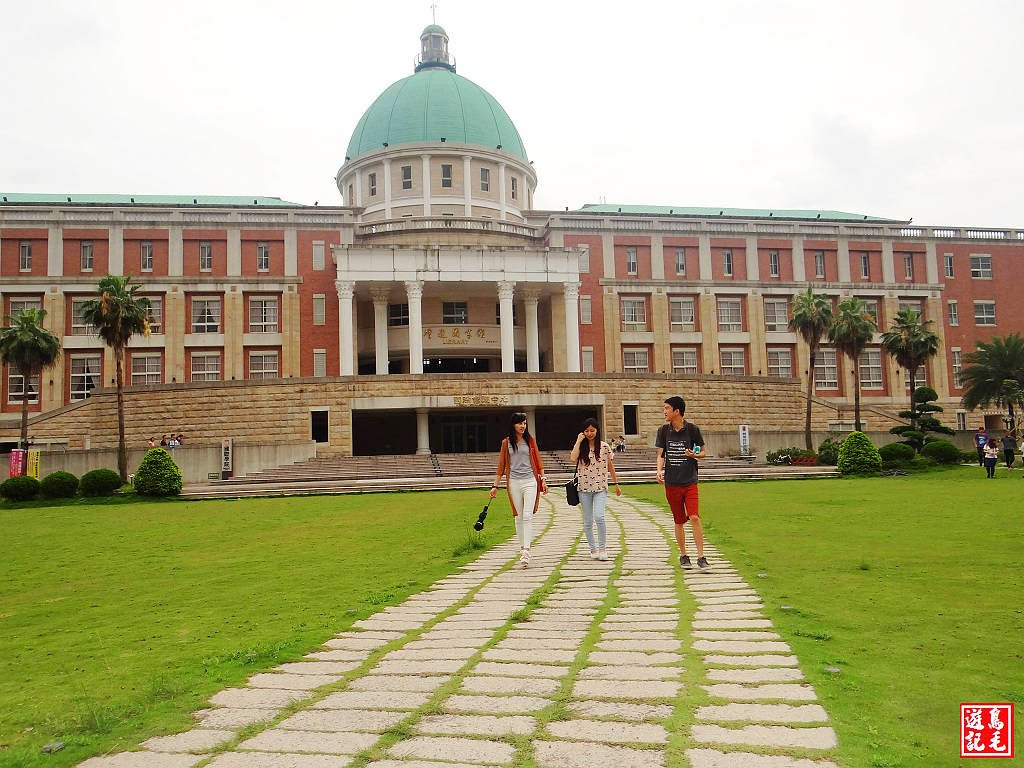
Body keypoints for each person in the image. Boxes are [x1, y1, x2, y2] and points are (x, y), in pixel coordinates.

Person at [656, 396, 710, 572]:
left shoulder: (693, 430)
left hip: (690, 482)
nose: (664, 411)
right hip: (672, 483)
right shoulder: (663, 431)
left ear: (676, 411)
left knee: (694, 517)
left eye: (666, 408)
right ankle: (684, 555)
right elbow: (661, 455)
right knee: (679, 520)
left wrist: (694, 455)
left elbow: (702, 452)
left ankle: (701, 557)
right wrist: (658, 470)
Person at [491, 412, 548, 568]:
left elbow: (538, 461)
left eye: (524, 423)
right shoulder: (506, 443)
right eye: (520, 423)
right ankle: (522, 547)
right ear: (513, 425)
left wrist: (543, 480)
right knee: (519, 516)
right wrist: (495, 486)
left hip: (530, 481)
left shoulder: (530, 441)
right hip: (514, 482)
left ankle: (526, 551)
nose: (523, 426)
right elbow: (501, 466)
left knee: (528, 515)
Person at [570, 417, 621, 561]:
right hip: (583, 488)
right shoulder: (581, 446)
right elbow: (573, 459)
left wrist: (616, 484)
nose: (590, 433)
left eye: (592, 430)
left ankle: (603, 548)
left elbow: (610, 465)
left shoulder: (604, 446)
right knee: (587, 520)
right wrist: (579, 441)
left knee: (599, 517)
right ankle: (593, 549)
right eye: (587, 431)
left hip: (600, 487)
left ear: (597, 431)